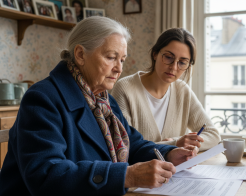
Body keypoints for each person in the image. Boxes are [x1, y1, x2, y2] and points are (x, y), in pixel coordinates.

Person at [0, 17, 198, 196]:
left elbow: (133, 144)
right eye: (111, 57)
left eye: (122, 60)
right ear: (80, 54)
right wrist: (127, 176)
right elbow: (46, 177)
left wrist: (170, 153)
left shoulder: (103, 100)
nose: (119, 68)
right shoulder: (42, 99)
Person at [111, 28, 221, 151]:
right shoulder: (125, 89)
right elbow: (124, 146)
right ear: (155, 54)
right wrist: (175, 144)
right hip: (142, 170)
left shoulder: (182, 90)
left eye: (182, 62)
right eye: (168, 57)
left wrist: (186, 144)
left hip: (178, 170)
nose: (173, 67)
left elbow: (213, 134)